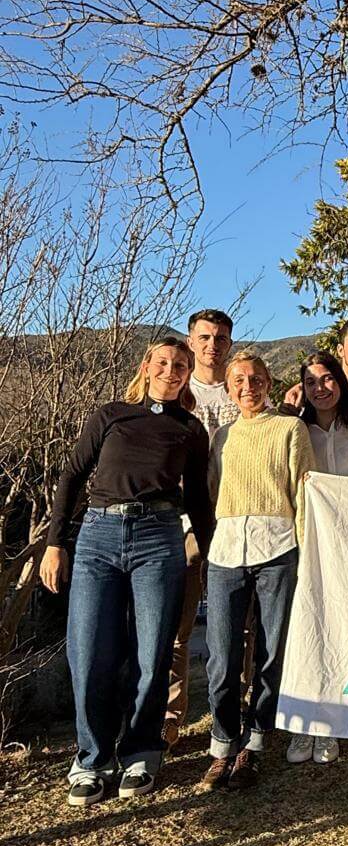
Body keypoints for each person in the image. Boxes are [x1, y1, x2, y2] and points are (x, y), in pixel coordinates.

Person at [39, 337, 213, 806]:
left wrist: (212, 553)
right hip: (98, 536)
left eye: (181, 365)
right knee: (89, 648)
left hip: (159, 537)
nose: (171, 371)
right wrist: (56, 544)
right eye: (163, 363)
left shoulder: (191, 429)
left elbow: (197, 497)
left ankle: (141, 752)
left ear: (187, 374)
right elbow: (72, 476)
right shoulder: (111, 415)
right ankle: (92, 760)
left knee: (152, 650)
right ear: (146, 366)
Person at [201, 352, 316, 791]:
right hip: (227, 551)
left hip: (278, 548)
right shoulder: (222, 437)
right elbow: (213, 491)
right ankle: (222, 744)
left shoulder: (290, 428)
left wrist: (306, 553)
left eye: (256, 378)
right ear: (229, 388)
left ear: (269, 383)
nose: (248, 386)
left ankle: (255, 742)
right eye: (239, 380)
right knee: (222, 655)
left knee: (270, 653)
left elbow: (301, 492)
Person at [280, 352, 348, 766]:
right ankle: (303, 726)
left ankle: (332, 723)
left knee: (343, 629)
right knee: (306, 629)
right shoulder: (294, 430)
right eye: (311, 382)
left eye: (328, 379)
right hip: (305, 541)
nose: (320, 388)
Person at [163, 307, 239, 750]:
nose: (213, 345)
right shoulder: (174, 389)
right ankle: (168, 721)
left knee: (241, 627)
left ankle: (242, 714)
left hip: (234, 517)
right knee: (176, 626)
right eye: (205, 337)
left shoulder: (243, 388)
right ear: (191, 341)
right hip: (183, 522)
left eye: (221, 338)